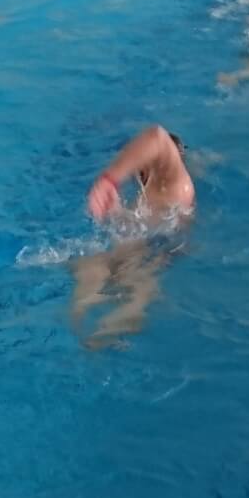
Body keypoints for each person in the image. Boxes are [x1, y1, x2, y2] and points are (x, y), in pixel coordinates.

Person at [72, 125, 194, 345]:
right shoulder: (150, 189)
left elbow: (157, 136)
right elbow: (137, 224)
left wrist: (109, 180)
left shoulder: (174, 182)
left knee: (136, 277)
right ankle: (81, 321)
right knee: (90, 263)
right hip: (144, 245)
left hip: (158, 249)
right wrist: (116, 211)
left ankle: (114, 323)